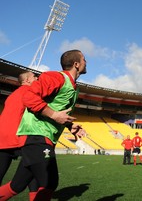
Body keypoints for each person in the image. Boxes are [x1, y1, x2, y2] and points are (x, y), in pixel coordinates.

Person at [0, 49, 87, 200]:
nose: (87, 62)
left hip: (42, 138)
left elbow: (57, 110)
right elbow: (29, 96)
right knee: (49, 182)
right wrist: (54, 115)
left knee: (17, 186)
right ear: (76, 64)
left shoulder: (73, 87)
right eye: (84, 59)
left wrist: (69, 125)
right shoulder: (55, 77)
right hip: (36, 136)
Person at [0, 72, 40, 199]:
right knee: (34, 169)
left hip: (2, 138)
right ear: (27, 80)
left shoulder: (11, 96)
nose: (37, 78)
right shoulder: (30, 91)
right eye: (34, 77)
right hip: (18, 137)